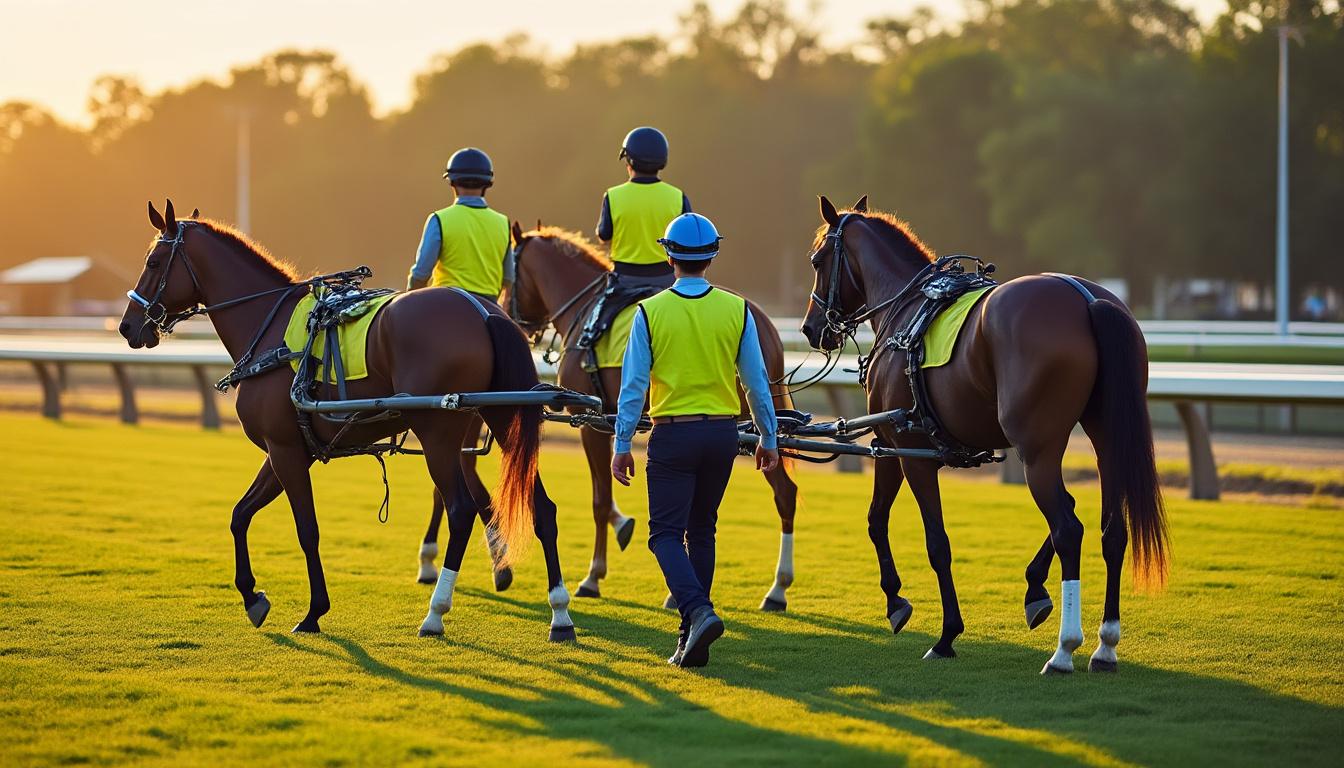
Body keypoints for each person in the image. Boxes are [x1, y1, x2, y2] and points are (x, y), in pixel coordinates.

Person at [610, 212, 779, 668]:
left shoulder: (649, 312)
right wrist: (769, 437)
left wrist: (621, 443)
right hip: (722, 436)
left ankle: (699, 612)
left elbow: (633, 387)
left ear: (668, 255)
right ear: (713, 255)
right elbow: (757, 384)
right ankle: (691, 639)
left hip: (673, 437)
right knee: (702, 529)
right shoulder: (737, 309)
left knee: (664, 535)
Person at [576, 127, 692, 367]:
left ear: (628, 160)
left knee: (593, 328)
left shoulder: (613, 196)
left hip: (624, 283)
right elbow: (689, 239)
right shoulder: (677, 196)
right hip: (670, 281)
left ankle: (589, 361)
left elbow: (604, 235)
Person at [406, 147, 512, 305]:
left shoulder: (439, 219)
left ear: (452, 182)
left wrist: (408, 298)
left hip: (446, 302)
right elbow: (509, 278)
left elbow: (421, 273)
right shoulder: (503, 223)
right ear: (487, 184)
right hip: (489, 307)